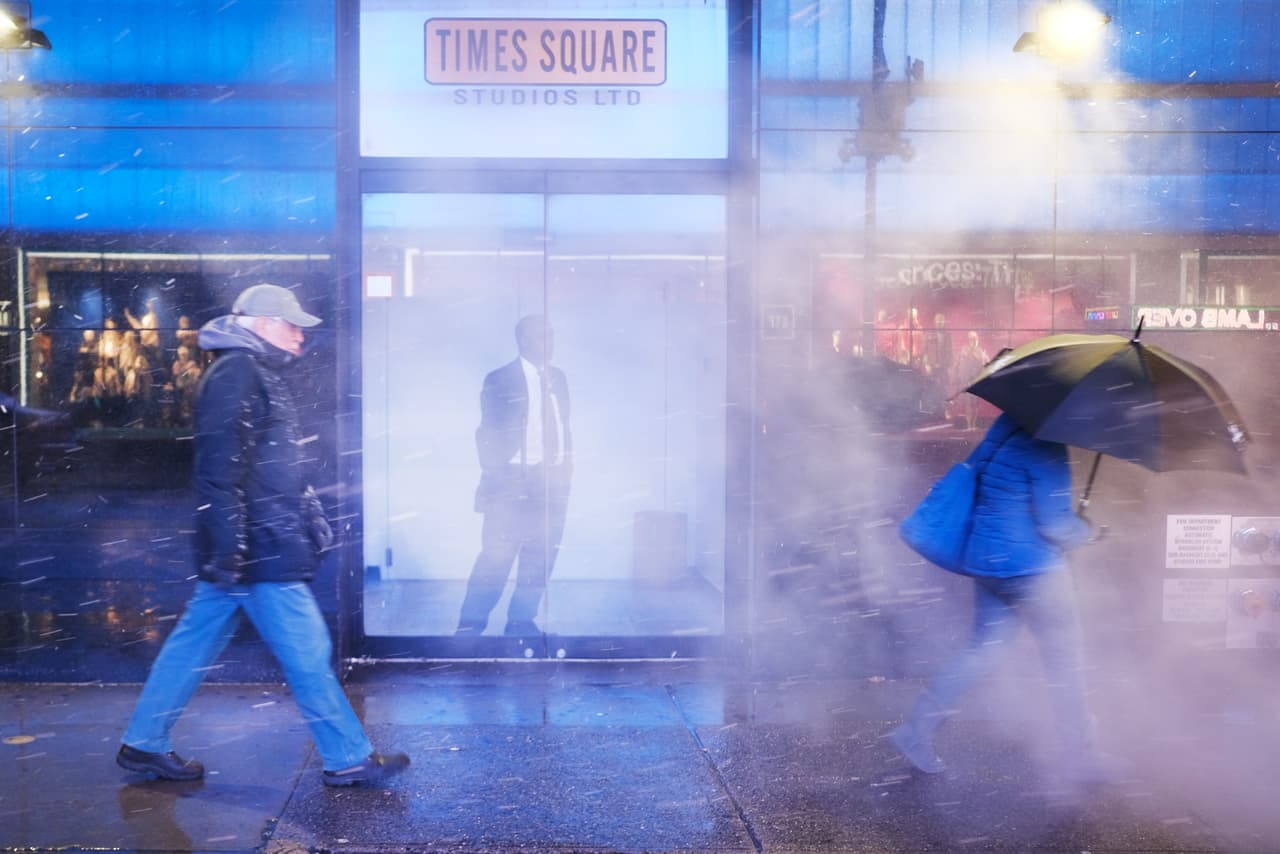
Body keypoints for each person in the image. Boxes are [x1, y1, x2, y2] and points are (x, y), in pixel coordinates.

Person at [117, 283, 409, 787]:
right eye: (291, 324)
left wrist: (298, 512)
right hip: (256, 549)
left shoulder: (250, 372)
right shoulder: (239, 374)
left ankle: (144, 743)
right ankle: (347, 756)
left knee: (191, 647)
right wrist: (233, 547)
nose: (299, 335)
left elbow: (265, 467)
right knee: (306, 647)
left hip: (248, 544)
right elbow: (219, 471)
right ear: (260, 323)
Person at [889, 413, 1111, 783]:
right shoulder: (1047, 450)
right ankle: (1081, 757)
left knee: (982, 652)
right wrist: (1088, 531)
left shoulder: (998, 437)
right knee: (1065, 662)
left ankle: (917, 730)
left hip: (988, 563)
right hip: (1034, 570)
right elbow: (1056, 526)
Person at [456, 314, 572, 637]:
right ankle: (470, 625)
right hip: (512, 482)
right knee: (496, 556)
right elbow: (487, 433)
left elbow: (563, 425)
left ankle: (521, 621)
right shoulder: (500, 379)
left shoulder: (558, 378)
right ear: (523, 341)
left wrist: (564, 471)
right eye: (542, 336)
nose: (550, 343)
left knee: (541, 556)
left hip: (551, 483)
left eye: (551, 336)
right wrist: (500, 475)